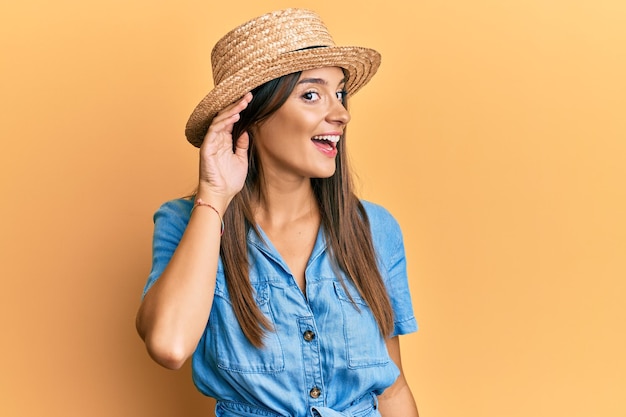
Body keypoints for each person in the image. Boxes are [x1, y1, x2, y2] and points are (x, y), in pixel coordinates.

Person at [136, 8, 419, 417]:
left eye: (339, 93)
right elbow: (170, 345)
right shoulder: (185, 223)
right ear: (252, 115)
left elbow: (392, 391)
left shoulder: (375, 229)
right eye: (311, 94)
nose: (341, 113)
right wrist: (214, 196)